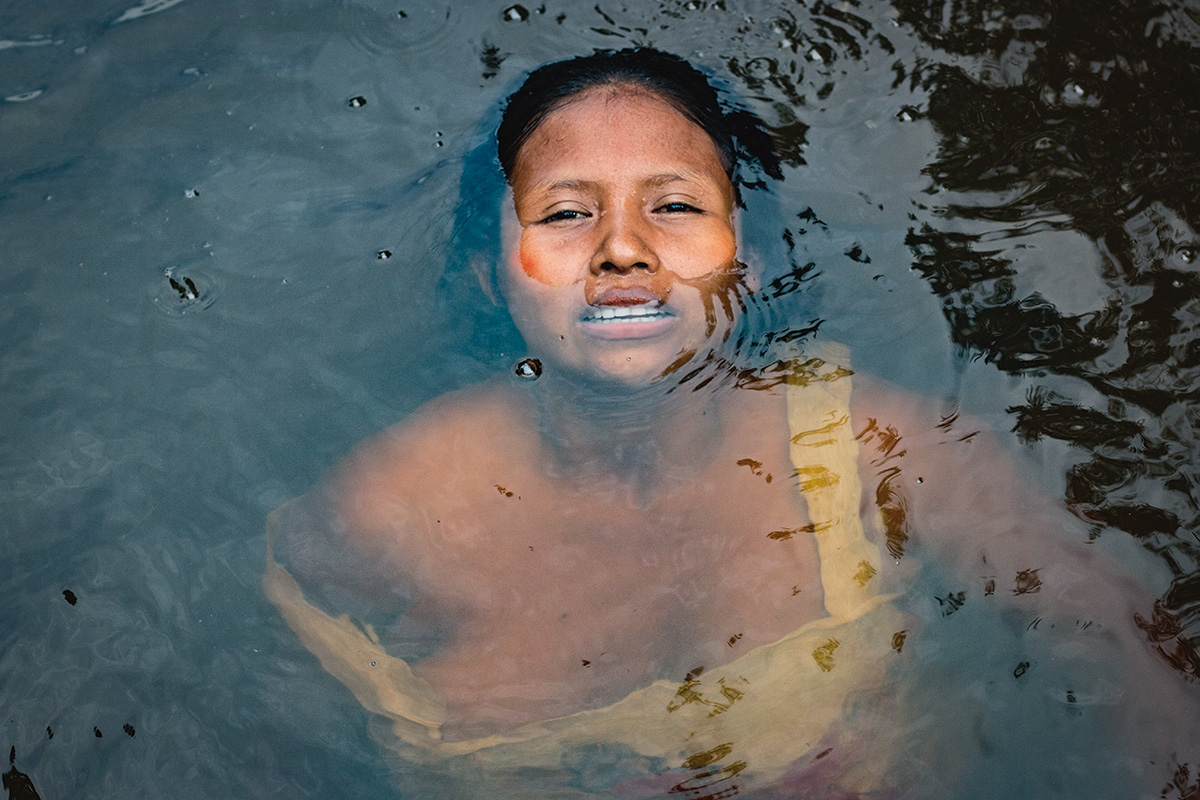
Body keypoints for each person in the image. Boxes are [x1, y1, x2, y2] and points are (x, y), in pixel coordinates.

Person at [265, 49, 1196, 799]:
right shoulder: (387, 507)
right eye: (563, 213)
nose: (623, 248)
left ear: (743, 261)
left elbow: (1115, 629)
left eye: (674, 206)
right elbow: (270, 721)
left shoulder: (878, 450)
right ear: (487, 273)